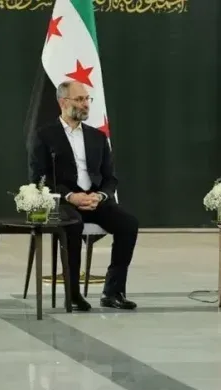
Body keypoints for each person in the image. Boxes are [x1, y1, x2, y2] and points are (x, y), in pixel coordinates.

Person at [29, 81, 139, 311]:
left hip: (94, 200)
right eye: (79, 99)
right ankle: (73, 294)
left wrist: (100, 196)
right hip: (63, 201)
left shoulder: (97, 137)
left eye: (87, 99)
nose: (85, 104)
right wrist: (70, 196)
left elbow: (110, 178)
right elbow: (39, 178)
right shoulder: (44, 135)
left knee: (128, 224)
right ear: (63, 102)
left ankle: (113, 292)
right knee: (73, 224)